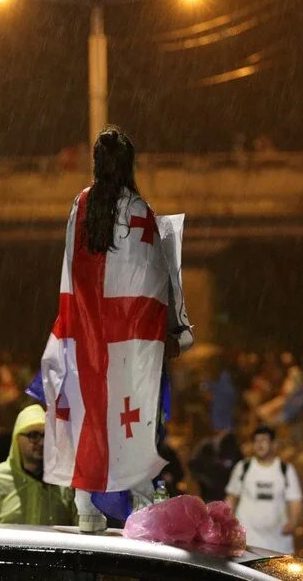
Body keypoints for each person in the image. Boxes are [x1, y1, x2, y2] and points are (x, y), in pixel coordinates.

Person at [37, 126, 194, 533]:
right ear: (129, 165)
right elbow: (157, 282)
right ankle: (142, 508)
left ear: (96, 164)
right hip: (131, 344)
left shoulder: (81, 206)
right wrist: (174, 329)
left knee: (89, 414)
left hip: (87, 336)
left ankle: (85, 508)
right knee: (134, 416)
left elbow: (71, 275)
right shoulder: (140, 211)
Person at [0, 404, 76, 525]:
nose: (41, 442)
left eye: (46, 436)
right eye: (33, 436)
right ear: (17, 438)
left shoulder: (65, 485)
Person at [225, 426, 303, 554]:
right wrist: (227, 522)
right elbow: (231, 497)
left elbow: (294, 499)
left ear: (273, 444)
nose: (259, 445)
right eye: (256, 441)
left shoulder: (286, 470)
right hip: (247, 541)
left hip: (278, 542)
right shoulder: (243, 467)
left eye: (264, 440)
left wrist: (293, 521)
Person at [189, 429, 243, 503]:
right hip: (209, 493)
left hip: (225, 493)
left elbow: (239, 468)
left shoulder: (232, 445)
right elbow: (193, 465)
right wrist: (204, 482)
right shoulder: (206, 447)